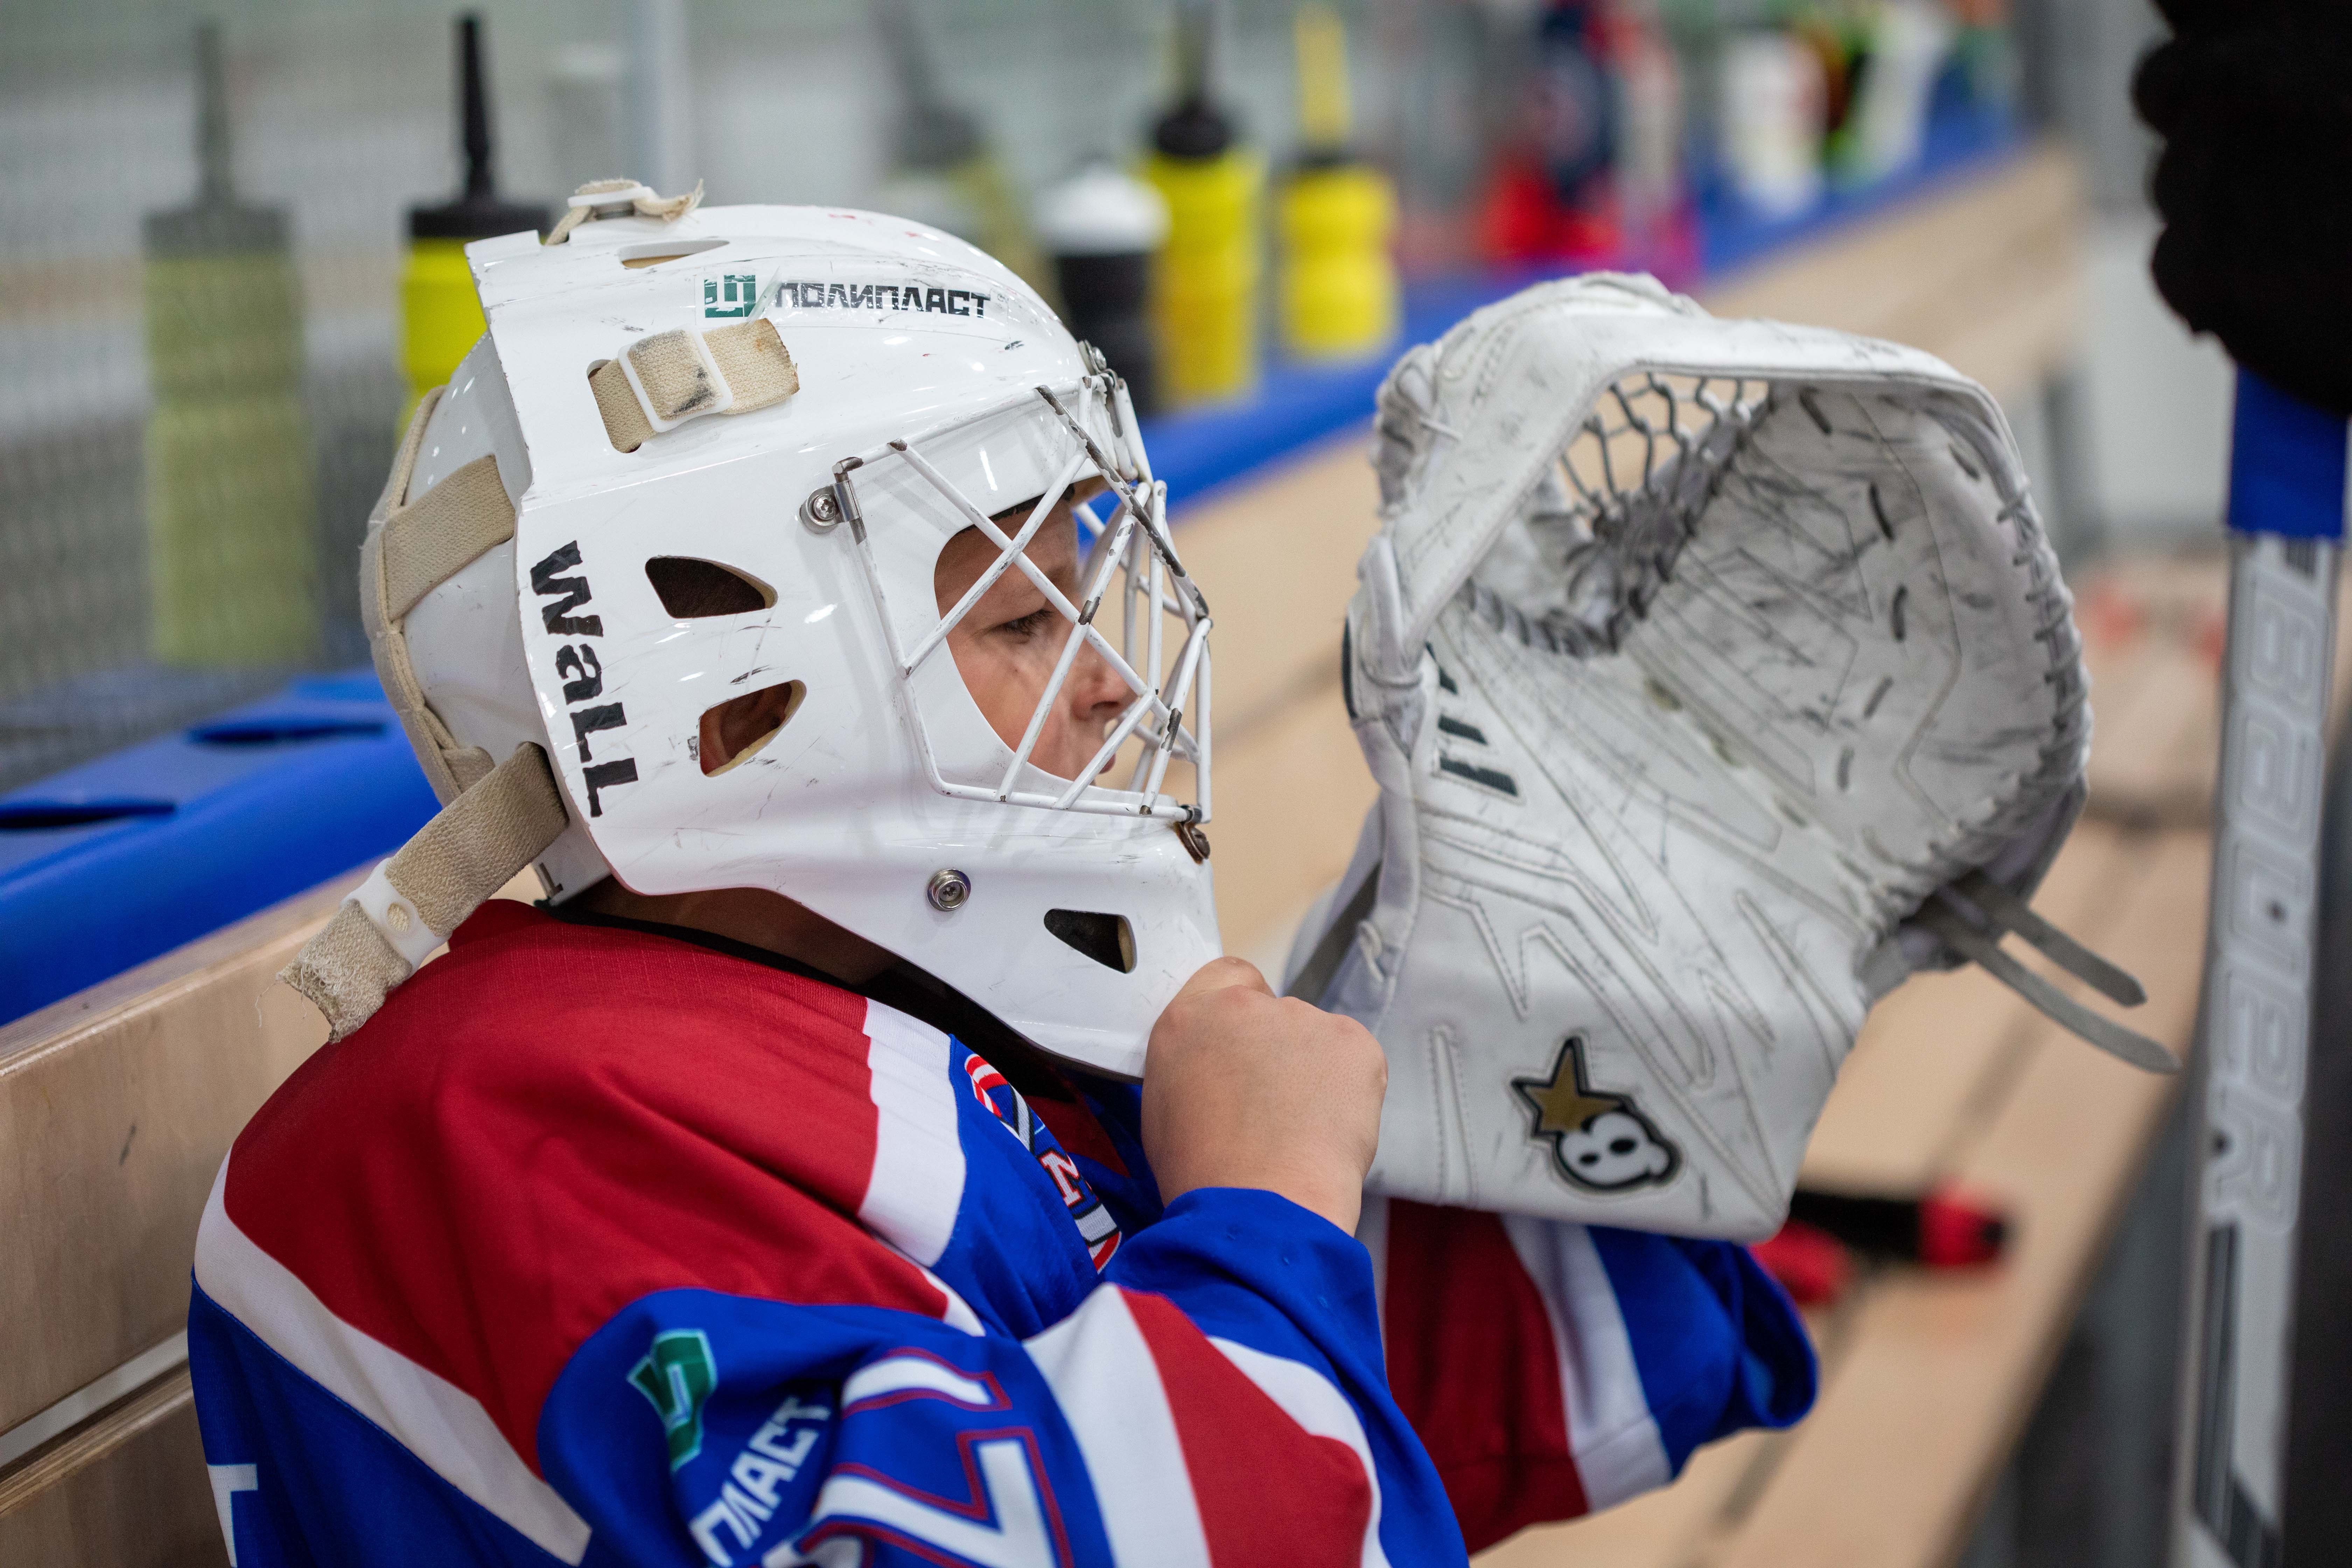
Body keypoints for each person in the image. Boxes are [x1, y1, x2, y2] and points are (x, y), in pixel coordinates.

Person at [186, 198, 1811, 1568]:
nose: (1113, 678)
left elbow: (1389, 1394)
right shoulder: (489, 1129)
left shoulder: (885, 983)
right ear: (728, 699)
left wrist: (1623, 1010)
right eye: (1027, 618)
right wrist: (1257, 1208)